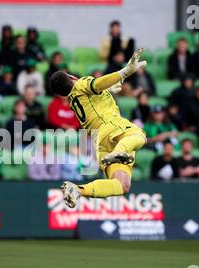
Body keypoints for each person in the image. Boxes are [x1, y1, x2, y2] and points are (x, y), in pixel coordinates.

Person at [49, 48, 147, 208]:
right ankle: (118, 152)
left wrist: (107, 91)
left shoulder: (74, 101)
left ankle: (79, 190)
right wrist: (125, 72)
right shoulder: (80, 84)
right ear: (70, 77)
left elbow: (95, 98)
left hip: (100, 142)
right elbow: (97, 83)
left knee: (122, 185)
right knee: (140, 136)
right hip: (112, 127)